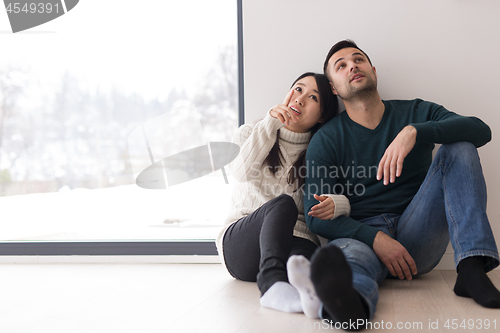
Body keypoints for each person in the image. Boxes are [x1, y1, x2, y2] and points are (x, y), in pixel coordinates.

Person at [300, 40, 500, 330]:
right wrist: (376, 239)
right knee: (350, 260)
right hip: (363, 237)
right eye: (340, 66)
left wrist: (414, 132)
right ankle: (349, 306)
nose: (352, 66)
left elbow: (481, 131)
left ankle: (471, 268)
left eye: (358, 60)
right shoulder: (326, 139)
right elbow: (314, 214)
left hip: (418, 233)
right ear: (333, 87)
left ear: (374, 71)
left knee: (459, 148)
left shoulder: (415, 112)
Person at [216, 72, 350, 317]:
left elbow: (344, 198)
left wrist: (337, 204)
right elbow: (239, 172)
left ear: (322, 117)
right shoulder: (249, 133)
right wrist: (270, 123)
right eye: (298, 90)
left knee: (304, 259)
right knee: (284, 204)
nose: (300, 100)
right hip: (242, 245)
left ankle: (310, 296)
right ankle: (271, 285)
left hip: (294, 242)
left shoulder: (320, 153)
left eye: (313, 97)